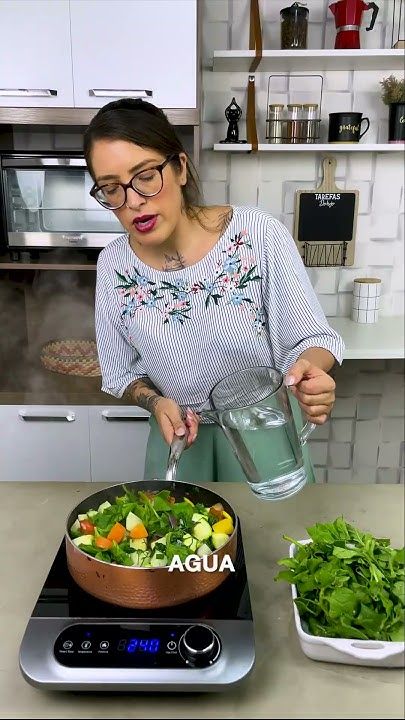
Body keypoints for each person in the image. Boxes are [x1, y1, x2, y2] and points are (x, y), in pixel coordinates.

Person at [84, 98, 344, 484]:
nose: (133, 201)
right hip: (178, 442)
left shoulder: (257, 234)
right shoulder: (113, 265)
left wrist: (310, 372)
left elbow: (312, 339)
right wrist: (155, 402)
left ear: (180, 168)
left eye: (145, 176)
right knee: (170, 543)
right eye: (111, 189)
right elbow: (121, 373)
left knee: (276, 542)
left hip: (263, 434)